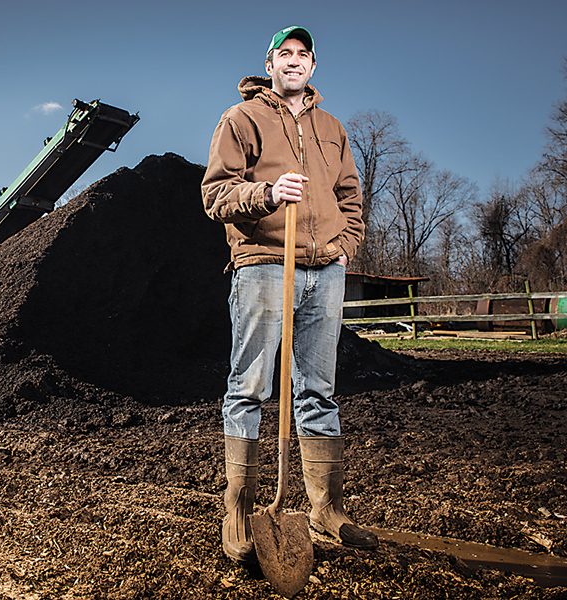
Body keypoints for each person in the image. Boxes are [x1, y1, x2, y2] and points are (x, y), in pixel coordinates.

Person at [201, 25, 377, 562]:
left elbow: (351, 196)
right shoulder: (242, 119)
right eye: (286, 54)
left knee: (318, 390)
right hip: (262, 266)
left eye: (304, 55)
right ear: (271, 63)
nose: (295, 62)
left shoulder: (332, 128)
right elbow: (215, 193)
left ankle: (326, 509)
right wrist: (269, 193)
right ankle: (240, 507)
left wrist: (345, 246)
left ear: (314, 67)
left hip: (324, 270)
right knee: (249, 386)